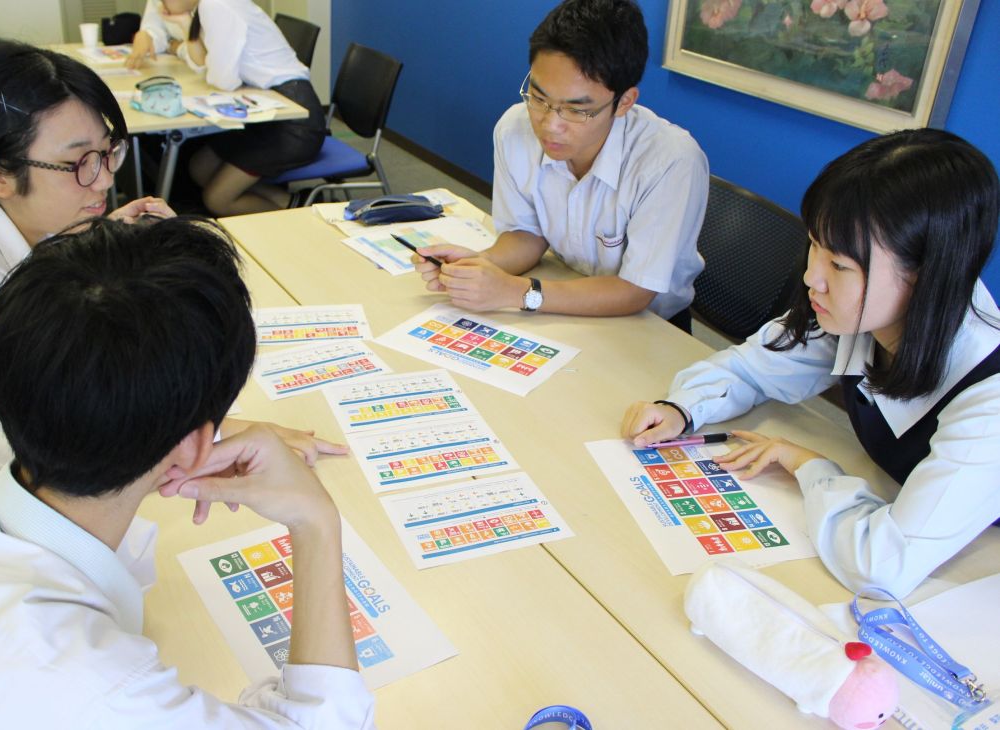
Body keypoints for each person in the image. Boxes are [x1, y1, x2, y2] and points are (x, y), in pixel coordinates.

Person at [0, 217, 376, 729]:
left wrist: (161, 448)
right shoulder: (96, 689)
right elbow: (323, 719)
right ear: (196, 444)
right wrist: (315, 520)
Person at [0, 42, 336, 589]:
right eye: (76, 163)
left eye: (108, 151)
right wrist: (226, 431)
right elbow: (66, 420)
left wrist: (102, 242)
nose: (101, 180)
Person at [621, 129, 1000, 598]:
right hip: (898, 513)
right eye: (815, 245)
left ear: (924, 275)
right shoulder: (864, 314)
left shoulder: (990, 401)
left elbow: (879, 567)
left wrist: (813, 467)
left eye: (840, 265)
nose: (810, 277)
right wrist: (681, 408)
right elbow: (750, 367)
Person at [411, 0, 707, 330]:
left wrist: (517, 292)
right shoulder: (514, 129)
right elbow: (527, 233)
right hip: (562, 295)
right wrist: (478, 267)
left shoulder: (670, 161)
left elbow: (635, 292)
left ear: (624, 102)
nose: (550, 124)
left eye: (577, 110)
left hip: (649, 325)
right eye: (539, 98)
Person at [125, 0, 325, 215]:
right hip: (266, 108)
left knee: (217, 200)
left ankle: (302, 218)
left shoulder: (215, 5)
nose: (159, 4)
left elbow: (223, 81)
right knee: (200, 168)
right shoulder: (204, 8)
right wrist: (185, 26)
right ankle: (293, 202)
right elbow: (204, 66)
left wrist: (189, 37)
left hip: (294, 121)